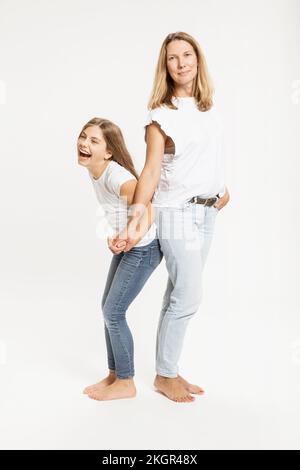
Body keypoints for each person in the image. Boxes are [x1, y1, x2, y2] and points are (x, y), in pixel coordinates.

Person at [113, 32, 230, 403]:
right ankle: (166, 375)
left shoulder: (209, 107)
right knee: (189, 296)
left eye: (187, 55)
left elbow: (207, 155)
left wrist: (220, 188)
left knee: (178, 293)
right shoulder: (160, 117)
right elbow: (149, 173)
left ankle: (168, 370)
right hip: (176, 213)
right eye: (172, 58)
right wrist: (134, 221)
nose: (181, 63)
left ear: (198, 59)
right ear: (164, 67)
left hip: (206, 211)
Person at [77, 117, 163, 401]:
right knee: (108, 309)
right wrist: (118, 236)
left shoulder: (117, 177)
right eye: (83, 137)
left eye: (94, 140)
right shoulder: (95, 169)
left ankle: (126, 382)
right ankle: (115, 375)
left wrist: (129, 235)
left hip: (145, 247)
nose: (84, 143)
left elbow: (148, 210)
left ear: (109, 151)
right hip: (130, 245)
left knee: (114, 312)